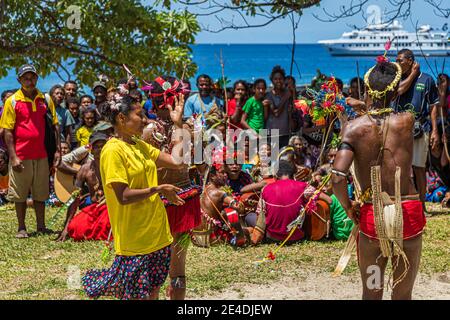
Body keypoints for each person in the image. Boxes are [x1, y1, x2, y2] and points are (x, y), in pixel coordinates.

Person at [332, 58, 425, 300]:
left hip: (373, 220)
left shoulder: (353, 129)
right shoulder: (407, 121)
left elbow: (338, 175)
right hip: (408, 217)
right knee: (402, 293)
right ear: (395, 90)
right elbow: (393, 103)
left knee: (373, 289)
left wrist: (348, 207)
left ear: (367, 90)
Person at [82, 95, 185, 300]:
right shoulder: (112, 151)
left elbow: (177, 161)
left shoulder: (139, 145)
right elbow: (123, 196)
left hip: (158, 235)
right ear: (121, 118)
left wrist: (178, 124)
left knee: (153, 292)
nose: (146, 120)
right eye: (140, 115)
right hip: (135, 241)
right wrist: (157, 189)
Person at [143, 75, 201, 300]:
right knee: (178, 268)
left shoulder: (146, 130)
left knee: (152, 266)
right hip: (184, 199)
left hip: (157, 201)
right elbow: (194, 160)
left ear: (153, 100)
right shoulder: (190, 127)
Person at [0, 64, 60, 238]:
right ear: (19, 80)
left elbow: (55, 126)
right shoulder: (12, 101)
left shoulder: (45, 99)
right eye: (25, 78)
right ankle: (21, 228)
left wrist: (57, 151)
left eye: (32, 77)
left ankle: (41, 226)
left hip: (42, 154)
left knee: (41, 193)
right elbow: (8, 131)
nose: (29, 80)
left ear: (36, 78)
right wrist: (13, 156)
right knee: (20, 193)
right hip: (21, 154)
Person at [394, 49, 440, 205]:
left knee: (419, 167)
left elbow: (434, 106)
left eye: (400, 60)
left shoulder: (427, 80)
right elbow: (399, 90)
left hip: (420, 128)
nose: (397, 63)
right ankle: (403, 202)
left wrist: (435, 130)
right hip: (398, 129)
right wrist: (413, 74)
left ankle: (421, 205)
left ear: (411, 61)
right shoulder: (396, 79)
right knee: (399, 167)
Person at [250, 160, 329, 245]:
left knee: (250, 216)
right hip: (297, 238)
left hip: (272, 238)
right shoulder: (303, 186)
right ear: (293, 175)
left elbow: (260, 215)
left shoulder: (265, 189)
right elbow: (329, 200)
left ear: (275, 175)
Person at [56, 132, 109, 242]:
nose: (100, 149)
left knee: (106, 225)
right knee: (75, 227)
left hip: (111, 209)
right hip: (94, 208)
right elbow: (75, 197)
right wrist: (66, 227)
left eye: (102, 146)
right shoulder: (85, 169)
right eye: (96, 147)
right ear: (91, 149)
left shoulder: (115, 165)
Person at [265, 66, 292, 148]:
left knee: (284, 158)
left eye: (280, 79)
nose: (278, 81)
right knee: (273, 159)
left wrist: (292, 93)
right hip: (272, 133)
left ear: (284, 80)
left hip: (285, 132)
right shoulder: (268, 95)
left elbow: (292, 108)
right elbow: (276, 113)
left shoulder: (288, 93)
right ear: (272, 80)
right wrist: (285, 98)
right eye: (275, 79)